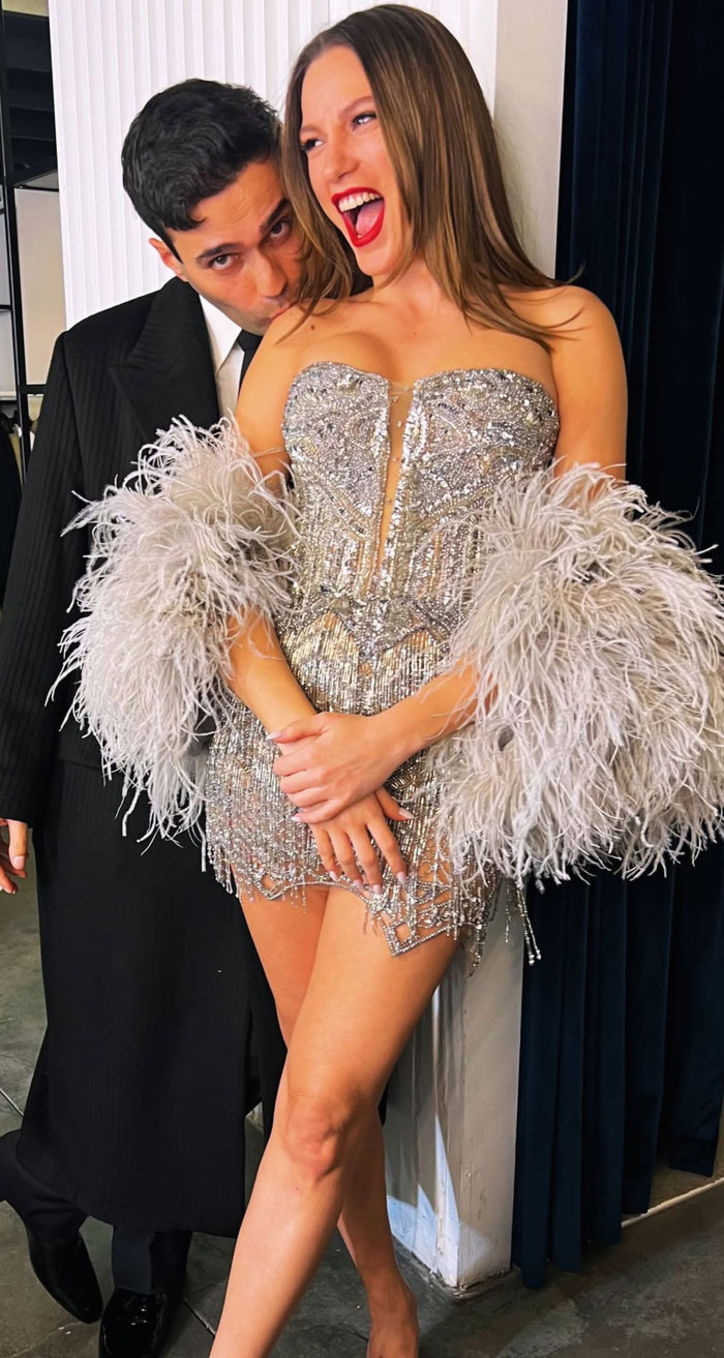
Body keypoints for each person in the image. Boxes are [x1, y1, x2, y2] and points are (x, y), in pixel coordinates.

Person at [60, 8, 724, 1357]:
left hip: (439, 778)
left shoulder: (564, 325)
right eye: (311, 135)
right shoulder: (300, 333)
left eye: (357, 119)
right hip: (278, 768)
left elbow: (577, 595)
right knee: (328, 1088)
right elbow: (211, 563)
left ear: (430, 117)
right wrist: (307, 740)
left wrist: (390, 739)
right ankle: (383, 1302)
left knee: (310, 1107)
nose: (330, 159)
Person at [0, 79, 295, 1358]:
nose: (268, 274)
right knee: (140, 1013)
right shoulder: (94, 358)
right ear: (169, 255)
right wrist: (9, 776)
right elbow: (43, 581)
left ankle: (37, 1167)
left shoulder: (366, 335)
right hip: (131, 762)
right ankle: (146, 1257)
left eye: (280, 226)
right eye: (223, 254)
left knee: (256, 1032)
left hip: (299, 758)